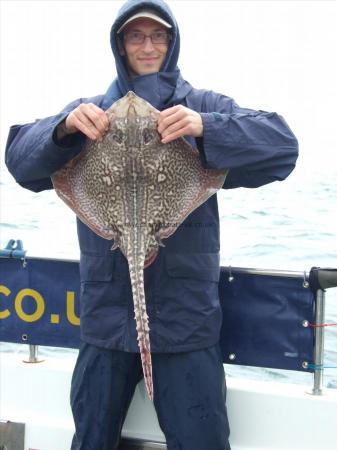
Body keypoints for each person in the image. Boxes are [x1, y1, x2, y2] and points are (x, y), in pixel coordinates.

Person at [5, 0, 298, 449]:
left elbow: (282, 147)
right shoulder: (91, 112)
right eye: (136, 36)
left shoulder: (201, 106)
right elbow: (20, 160)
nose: (147, 45)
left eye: (157, 35)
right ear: (120, 45)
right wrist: (62, 131)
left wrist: (206, 128)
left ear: (172, 42)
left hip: (186, 324)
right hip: (105, 322)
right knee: (91, 441)